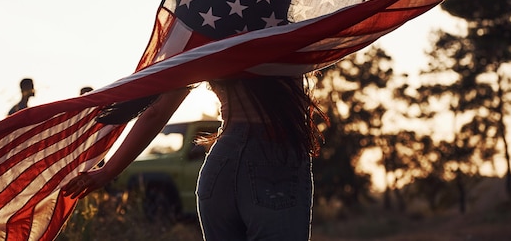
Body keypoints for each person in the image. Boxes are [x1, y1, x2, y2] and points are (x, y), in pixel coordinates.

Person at [63, 75, 324, 240]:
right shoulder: (284, 28)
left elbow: (157, 111)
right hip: (274, 161)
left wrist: (108, 171)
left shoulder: (209, 29)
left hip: (220, 164)